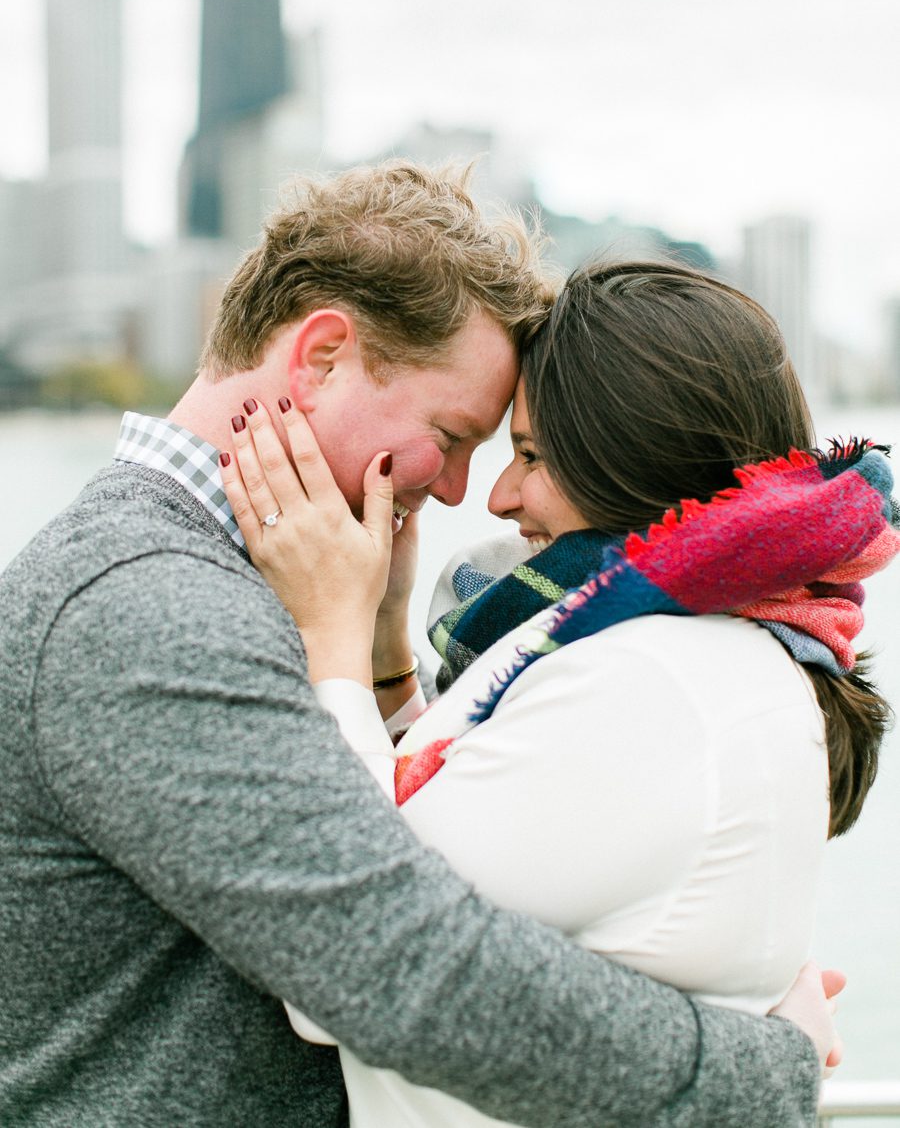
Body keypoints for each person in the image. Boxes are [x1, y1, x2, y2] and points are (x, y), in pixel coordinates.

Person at [0, 166, 833, 1128]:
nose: (457, 495)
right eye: (452, 434)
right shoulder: (150, 608)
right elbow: (402, 960)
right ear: (321, 358)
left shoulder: (229, 582)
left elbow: (417, 840)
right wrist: (762, 1066)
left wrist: (378, 640)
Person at [220, 255, 895, 1128]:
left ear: (630, 468)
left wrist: (330, 635)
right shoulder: (682, 651)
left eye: (531, 456)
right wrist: (386, 642)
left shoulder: (655, 680)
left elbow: (341, 957)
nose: (499, 497)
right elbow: (461, 825)